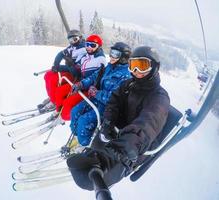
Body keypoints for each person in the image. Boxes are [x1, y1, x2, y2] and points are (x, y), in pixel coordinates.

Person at [67, 46, 170, 191]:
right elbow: (113, 102)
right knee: (93, 152)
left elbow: (145, 127)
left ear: (155, 67)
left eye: (142, 66)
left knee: (100, 174)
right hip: (115, 134)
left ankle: (105, 171)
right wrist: (107, 123)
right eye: (133, 66)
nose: (136, 72)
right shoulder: (129, 84)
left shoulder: (159, 98)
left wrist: (116, 153)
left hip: (131, 149)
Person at [70, 42, 132, 146]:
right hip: (96, 100)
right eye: (111, 52)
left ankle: (84, 145)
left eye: (116, 54)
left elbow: (114, 99)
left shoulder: (126, 76)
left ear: (123, 57)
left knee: (83, 121)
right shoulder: (109, 67)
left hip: (107, 108)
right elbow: (94, 76)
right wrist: (81, 84)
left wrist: (97, 93)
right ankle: (77, 137)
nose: (112, 56)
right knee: (75, 111)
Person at [54, 34, 107, 121]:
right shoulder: (84, 57)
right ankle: (59, 111)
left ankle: (66, 117)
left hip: (89, 89)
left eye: (92, 45)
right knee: (60, 91)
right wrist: (62, 67)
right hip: (80, 83)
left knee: (68, 102)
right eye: (87, 44)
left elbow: (97, 78)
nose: (89, 47)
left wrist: (85, 86)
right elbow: (75, 69)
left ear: (99, 46)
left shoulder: (101, 60)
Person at [42, 29, 86, 111]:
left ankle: (54, 101)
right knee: (48, 75)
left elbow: (77, 70)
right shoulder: (72, 47)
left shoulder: (83, 50)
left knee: (53, 79)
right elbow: (60, 54)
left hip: (76, 75)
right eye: (70, 40)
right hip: (69, 70)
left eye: (75, 39)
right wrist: (56, 64)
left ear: (80, 37)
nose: (72, 42)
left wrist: (64, 66)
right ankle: (52, 96)